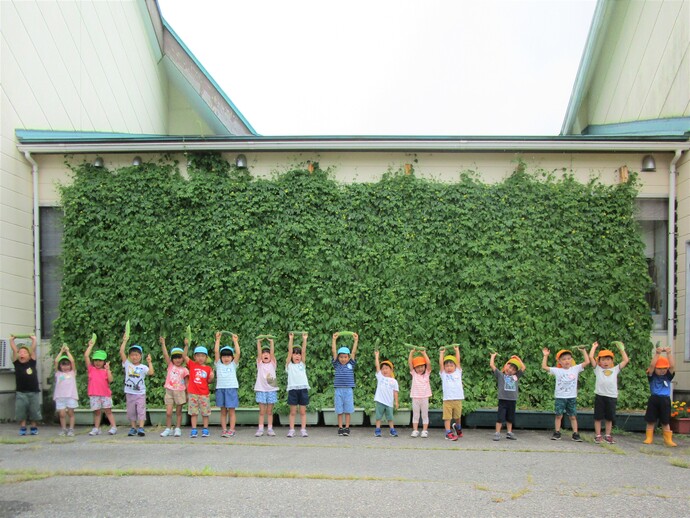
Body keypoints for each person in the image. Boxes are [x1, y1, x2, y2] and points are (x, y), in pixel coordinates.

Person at [541, 347, 589, 442]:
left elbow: (587, 362)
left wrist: (584, 351)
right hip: (560, 397)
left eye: (568, 358)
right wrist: (545, 356)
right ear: (559, 361)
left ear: (571, 359)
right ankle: (557, 432)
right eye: (563, 359)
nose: (566, 361)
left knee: (573, 416)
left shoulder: (575, 369)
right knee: (559, 415)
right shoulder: (557, 370)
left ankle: (575, 433)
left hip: (571, 397)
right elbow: (544, 367)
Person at [589, 341, 629, 444]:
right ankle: (598, 435)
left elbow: (626, 360)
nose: (606, 362)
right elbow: (590, 358)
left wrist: (621, 349)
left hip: (611, 396)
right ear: (599, 361)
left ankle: (607, 435)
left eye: (608, 359)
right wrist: (594, 347)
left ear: (612, 361)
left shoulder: (615, 369)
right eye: (603, 359)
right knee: (598, 417)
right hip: (600, 396)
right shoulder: (597, 369)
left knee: (609, 418)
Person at [119, 331, 154, 437]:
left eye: (137, 355)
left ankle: (141, 428)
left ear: (140, 356)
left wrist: (149, 362)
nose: (134, 357)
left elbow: (151, 372)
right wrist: (124, 341)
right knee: (131, 411)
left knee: (141, 410)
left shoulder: (143, 367)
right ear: (129, 356)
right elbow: (121, 352)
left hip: (140, 392)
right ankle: (133, 428)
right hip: (129, 392)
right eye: (132, 355)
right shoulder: (127, 364)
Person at [643, 347, 676, 447]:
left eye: (664, 368)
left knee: (665, 421)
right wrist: (657, 354)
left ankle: (668, 439)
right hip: (654, 399)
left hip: (665, 400)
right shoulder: (652, 376)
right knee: (651, 420)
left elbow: (672, 366)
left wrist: (669, 353)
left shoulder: (668, 377)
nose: (662, 370)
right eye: (659, 368)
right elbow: (652, 366)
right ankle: (649, 437)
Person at [9, 335, 41, 436]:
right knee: (21, 411)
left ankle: (33, 427)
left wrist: (34, 340)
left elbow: (33, 349)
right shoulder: (17, 363)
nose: (22, 353)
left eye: (24, 352)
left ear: (29, 355)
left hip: (33, 391)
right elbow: (14, 350)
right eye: (20, 352)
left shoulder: (31, 363)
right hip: (21, 392)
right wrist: (11, 340)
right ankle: (23, 427)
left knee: (34, 411)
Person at [490, 353, 525, 441]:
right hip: (503, 400)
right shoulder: (501, 375)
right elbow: (492, 365)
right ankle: (497, 433)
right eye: (509, 367)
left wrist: (518, 358)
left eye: (513, 369)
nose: (510, 370)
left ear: (515, 372)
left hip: (512, 400)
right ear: (506, 366)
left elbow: (523, 368)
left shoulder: (515, 377)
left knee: (510, 417)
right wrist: (493, 356)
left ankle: (509, 432)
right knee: (500, 417)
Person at [84, 339, 117, 435]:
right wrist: (90, 345)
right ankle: (96, 428)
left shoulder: (105, 371)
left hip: (105, 394)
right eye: (96, 360)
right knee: (97, 412)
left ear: (104, 361)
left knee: (108, 411)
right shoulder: (91, 369)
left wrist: (108, 370)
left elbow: (111, 380)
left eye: (100, 360)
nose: (98, 362)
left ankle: (114, 427)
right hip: (94, 394)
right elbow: (86, 356)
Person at [159, 337, 190, 437]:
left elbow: (187, 383)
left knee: (178, 412)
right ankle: (168, 428)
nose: (178, 360)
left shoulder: (185, 369)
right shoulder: (170, 366)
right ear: (172, 359)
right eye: (175, 357)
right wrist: (163, 344)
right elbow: (165, 355)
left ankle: (177, 428)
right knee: (168, 412)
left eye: (180, 357)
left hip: (180, 392)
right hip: (169, 391)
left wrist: (186, 345)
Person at [184, 340, 214, 438]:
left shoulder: (208, 368)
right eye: (198, 355)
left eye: (203, 356)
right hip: (193, 393)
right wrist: (186, 346)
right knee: (193, 413)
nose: (200, 358)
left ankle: (205, 429)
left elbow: (209, 381)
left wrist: (212, 377)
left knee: (205, 413)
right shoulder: (192, 365)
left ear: (206, 357)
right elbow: (184, 356)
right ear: (195, 357)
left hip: (204, 393)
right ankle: (194, 429)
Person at [331, 332, 359, 436]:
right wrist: (334, 340)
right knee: (339, 410)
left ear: (348, 357)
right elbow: (334, 351)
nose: (343, 359)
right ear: (338, 358)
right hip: (338, 390)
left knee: (347, 410)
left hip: (348, 390)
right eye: (341, 357)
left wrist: (356, 340)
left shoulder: (351, 363)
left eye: (345, 357)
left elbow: (354, 352)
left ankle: (347, 427)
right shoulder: (337, 364)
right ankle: (340, 427)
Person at [214, 331, 241, 438]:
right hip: (221, 389)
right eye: (224, 356)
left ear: (232, 357)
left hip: (231, 389)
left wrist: (235, 341)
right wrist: (218, 339)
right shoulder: (218, 364)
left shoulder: (234, 364)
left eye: (228, 356)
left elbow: (238, 353)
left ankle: (232, 429)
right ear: (221, 357)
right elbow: (216, 351)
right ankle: (224, 429)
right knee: (223, 411)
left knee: (231, 411)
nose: (226, 358)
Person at [285, 332, 310, 438]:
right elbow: (289, 351)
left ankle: (303, 430)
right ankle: (291, 430)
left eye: (298, 354)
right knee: (293, 412)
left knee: (303, 411)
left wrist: (304, 339)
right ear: (291, 356)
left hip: (303, 389)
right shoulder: (289, 365)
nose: (297, 356)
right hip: (293, 390)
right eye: (295, 354)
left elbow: (304, 351)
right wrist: (291, 339)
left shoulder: (302, 364)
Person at [254, 336, 278, 437]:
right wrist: (259, 343)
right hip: (261, 389)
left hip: (271, 390)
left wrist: (271, 342)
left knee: (269, 411)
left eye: (267, 353)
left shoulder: (273, 364)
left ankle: (270, 429)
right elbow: (259, 354)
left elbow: (272, 354)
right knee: (262, 411)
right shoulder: (260, 364)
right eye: (264, 353)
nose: (265, 354)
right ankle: (260, 429)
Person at [439, 345, 464, 441]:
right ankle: (448, 433)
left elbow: (458, 361)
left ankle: (458, 427)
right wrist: (441, 353)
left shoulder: (458, 372)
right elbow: (441, 364)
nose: (449, 368)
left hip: (457, 399)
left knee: (457, 416)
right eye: (447, 366)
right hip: (447, 400)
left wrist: (457, 350)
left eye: (451, 365)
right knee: (447, 417)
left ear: (455, 366)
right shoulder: (444, 374)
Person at [53, 344, 78, 436]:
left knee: (71, 413)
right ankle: (63, 429)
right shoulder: (58, 373)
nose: (65, 367)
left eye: (67, 365)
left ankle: (71, 429)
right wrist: (61, 352)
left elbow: (72, 360)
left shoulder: (72, 373)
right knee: (62, 414)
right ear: (60, 366)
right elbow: (56, 361)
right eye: (63, 365)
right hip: (60, 397)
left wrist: (67, 351)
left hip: (71, 396)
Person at [373, 350, 399, 437]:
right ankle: (377, 429)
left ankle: (392, 429)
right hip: (380, 401)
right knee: (378, 417)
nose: (384, 370)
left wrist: (396, 402)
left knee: (390, 418)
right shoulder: (380, 377)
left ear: (391, 370)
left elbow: (395, 392)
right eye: (383, 368)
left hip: (389, 403)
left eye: (387, 368)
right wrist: (377, 356)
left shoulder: (394, 381)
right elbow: (377, 366)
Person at [408, 348, 431, 438]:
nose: (420, 368)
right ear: (415, 368)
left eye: (422, 366)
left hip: (425, 397)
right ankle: (415, 430)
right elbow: (410, 363)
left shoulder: (427, 374)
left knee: (425, 414)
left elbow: (429, 363)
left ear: (424, 367)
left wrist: (424, 353)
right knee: (416, 415)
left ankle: (425, 431)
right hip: (415, 397)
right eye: (417, 367)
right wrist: (411, 353)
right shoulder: (414, 374)